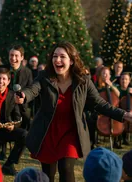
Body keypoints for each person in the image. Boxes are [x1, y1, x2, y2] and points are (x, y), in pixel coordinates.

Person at [15, 41, 132, 182]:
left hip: (71, 131)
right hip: (48, 131)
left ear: (71, 60)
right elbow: (33, 89)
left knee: (66, 169)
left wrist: (124, 114)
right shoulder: (44, 76)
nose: (57, 60)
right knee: (48, 175)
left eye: (62, 56)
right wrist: (24, 96)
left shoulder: (83, 81)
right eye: (55, 56)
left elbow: (99, 103)